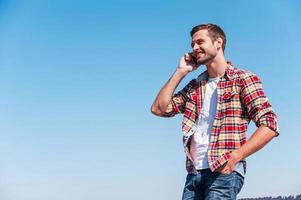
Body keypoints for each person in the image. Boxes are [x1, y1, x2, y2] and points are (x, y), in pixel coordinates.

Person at [151, 23, 279, 200]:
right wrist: (180, 72)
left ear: (218, 42)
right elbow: (159, 108)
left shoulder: (242, 79)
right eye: (192, 45)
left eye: (200, 42)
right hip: (194, 174)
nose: (195, 48)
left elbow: (270, 124)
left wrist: (236, 157)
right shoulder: (194, 87)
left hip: (223, 173)